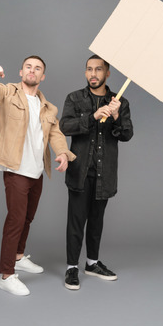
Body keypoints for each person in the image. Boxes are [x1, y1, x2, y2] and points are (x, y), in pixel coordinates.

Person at [0, 56, 75, 296]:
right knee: (16, 220)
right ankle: (7, 275)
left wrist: (62, 152)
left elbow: (55, 134)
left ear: (43, 77)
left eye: (38, 68)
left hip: (37, 170)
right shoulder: (8, 93)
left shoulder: (48, 107)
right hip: (15, 169)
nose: (32, 71)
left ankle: (18, 257)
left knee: (28, 218)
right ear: (21, 71)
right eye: (28, 67)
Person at [59, 54, 133, 290]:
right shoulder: (74, 98)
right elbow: (64, 126)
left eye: (98, 69)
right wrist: (92, 117)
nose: (93, 74)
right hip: (80, 171)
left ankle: (92, 263)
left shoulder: (120, 102)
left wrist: (116, 116)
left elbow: (127, 135)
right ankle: (72, 267)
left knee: (97, 221)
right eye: (89, 69)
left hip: (105, 173)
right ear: (85, 73)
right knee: (76, 221)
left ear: (107, 73)